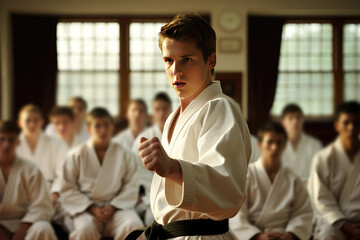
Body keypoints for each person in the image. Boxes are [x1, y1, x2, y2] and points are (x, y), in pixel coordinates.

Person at [127, 13, 251, 239]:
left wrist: (173, 168)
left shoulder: (220, 108)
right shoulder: (175, 116)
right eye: (168, 61)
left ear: (211, 61)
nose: (175, 71)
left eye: (187, 59)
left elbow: (228, 191)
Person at [60, 107, 144, 240]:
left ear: (112, 127)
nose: (103, 130)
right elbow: (67, 188)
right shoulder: (76, 154)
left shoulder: (126, 154)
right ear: (88, 129)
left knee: (133, 226)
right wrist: (91, 208)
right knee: (84, 230)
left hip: (117, 207)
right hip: (86, 209)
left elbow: (131, 185)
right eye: (97, 126)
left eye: (106, 125)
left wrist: (112, 207)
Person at [230, 121, 313, 240]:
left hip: (284, 236)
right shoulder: (247, 175)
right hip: (253, 237)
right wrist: (258, 236)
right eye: (270, 142)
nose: (274, 148)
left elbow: (303, 213)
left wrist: (290, 234)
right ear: (260, 144)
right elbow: (236, 215)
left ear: (284, 145)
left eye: (279, 143)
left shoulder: (292, 179)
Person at [308, 101, 360, 240]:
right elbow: (321, 200)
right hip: (334, 224)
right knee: (327, 235)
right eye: (346, 123)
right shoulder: (323, 158)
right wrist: (347, 227)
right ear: (337, 125)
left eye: (356, 123)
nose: (352, 128)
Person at [0, 120, 56, 240]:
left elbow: (42, 205)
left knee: (44, 229)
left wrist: (22, 229)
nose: (6, 144)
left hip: (26, 222)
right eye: (1, 139)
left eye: (11, 140)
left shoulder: (31, 170)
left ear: (18, 142)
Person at [132, 92, 172, 226]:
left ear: (171, 109)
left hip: (177, 191)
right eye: (157, 109)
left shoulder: (179, 134)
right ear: (152, 113)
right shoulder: (144, 138)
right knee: (152, 219)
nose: (161, 113)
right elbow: (137, 171)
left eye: (164, 108)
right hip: (152, 194)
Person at [16, 104, 68, 207]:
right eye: (27, 120)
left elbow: (62, 173)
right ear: (20, 123)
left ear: (41, 122)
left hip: (49, 191)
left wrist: (55, 192)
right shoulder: (12, 146)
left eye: (35, 120)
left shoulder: (58, 144)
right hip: (20, 194)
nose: (32, 124)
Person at [280, 103, 322, 182]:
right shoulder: (278, 145)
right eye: (290, 118)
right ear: (283, 122)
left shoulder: (315, 144)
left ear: (303, 120)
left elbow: (319, 172)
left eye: (298, 117)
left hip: (309, 188)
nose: (295, 121)